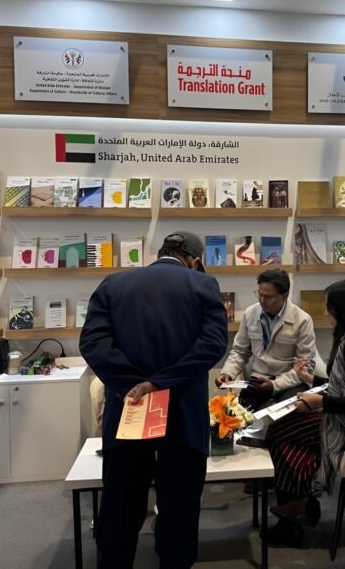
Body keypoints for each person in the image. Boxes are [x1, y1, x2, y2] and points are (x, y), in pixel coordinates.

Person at [80, 231, 228, 568]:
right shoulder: (203, 285)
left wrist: (135, 385)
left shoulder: (113, 284)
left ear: (161, 252)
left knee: (120, 508)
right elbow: (212, 346)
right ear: (194, 260)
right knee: (179, 510)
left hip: (129, 412)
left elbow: (92, 343)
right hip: (183, 416)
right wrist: (159, 383)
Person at [265, 279, 345, 545]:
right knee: (286, 426)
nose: (327, 313)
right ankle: (300, 502)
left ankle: (298, 506)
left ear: (343, 309)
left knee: (280, 430)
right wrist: (311, 380)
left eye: (330, 308)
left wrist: (320, 402)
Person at [216, 268, 317, 411]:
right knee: (236, 416)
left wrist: (275, 385)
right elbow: (239, 351)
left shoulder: (302, 320)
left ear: (285, 295)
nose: (262, 301)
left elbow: (306, 367)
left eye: (268, 297)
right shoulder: (250, 313)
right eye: (259, 294)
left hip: (290, 382)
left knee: (288, 414)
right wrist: (227, 373)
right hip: (258, 379)